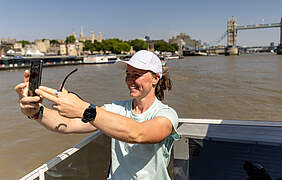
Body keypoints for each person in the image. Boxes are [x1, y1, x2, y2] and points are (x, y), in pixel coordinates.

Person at [15, 50, 180, 179]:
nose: (129, 80)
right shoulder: (115, 108)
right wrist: (36, 112)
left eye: (136, 75)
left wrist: (84, 109)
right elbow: (69, 125)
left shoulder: (166, 114)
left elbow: (139, 133)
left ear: (155, 79)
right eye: (127, 74)